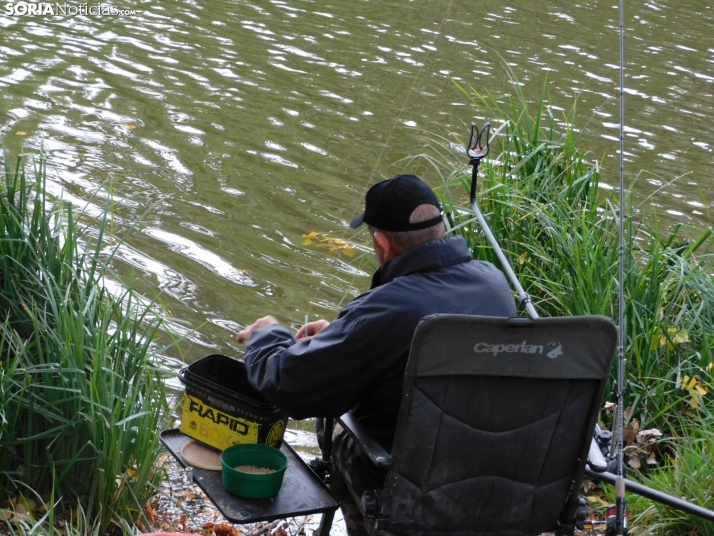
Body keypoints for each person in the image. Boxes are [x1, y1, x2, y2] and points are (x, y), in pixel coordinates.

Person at [236, 174, 517, 535]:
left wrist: (267, 335)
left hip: (409, 486)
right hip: (502, 478)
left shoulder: (386, 309)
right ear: (442, 229)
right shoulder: (494, 282)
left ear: (383, 243)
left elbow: (291, 384)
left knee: (338, 429)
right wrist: (341, 336)